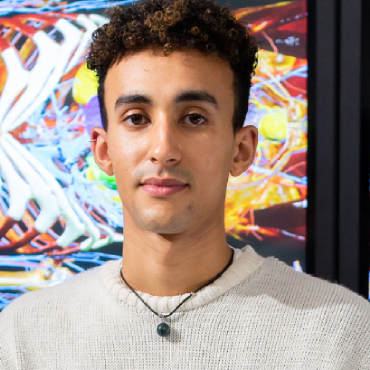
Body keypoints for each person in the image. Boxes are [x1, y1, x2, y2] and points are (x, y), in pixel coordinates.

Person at [1, 0, 369, 368]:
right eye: (136, 118)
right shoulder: (22, 338)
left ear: (241, 150)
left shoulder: (341, 337)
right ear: (103, 149)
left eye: (193, 118)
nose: (163, 150)